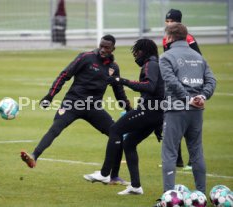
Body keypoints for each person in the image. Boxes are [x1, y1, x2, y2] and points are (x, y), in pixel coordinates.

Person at [21, 34, 132, 185]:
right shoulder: (86, 57)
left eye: (107, 47)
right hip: (73, 103)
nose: (102, 49)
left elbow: (119, 93)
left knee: (116, 133)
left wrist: (130, 111)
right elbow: (64, 75)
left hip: (93, 108)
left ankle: (114, 176)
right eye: (101, 46)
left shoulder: (113, 68)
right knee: (56, 128)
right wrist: (50, 96)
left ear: (113, 49)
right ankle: (34, 156)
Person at [84, 38, 165, 195]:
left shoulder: (151, 65)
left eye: (138, 51)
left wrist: (122, 80)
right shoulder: (155, 64)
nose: (136, 55)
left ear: (145, 51)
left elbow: (150, 86)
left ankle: (104, 173)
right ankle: (135, 187)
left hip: (149, 111)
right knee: (129, 143)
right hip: (155, 113)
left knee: (115, 129)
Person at [153, 23, 216, 207]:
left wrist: (188, 98)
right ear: (186, 37)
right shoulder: (198, 57)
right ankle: (201, 196)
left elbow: (170, 81)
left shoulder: (166, 57)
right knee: (196, 151)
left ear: (170, 37)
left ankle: (168, 199)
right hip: (197, 110)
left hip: (176, 109)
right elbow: (211, 80)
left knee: (169, 153)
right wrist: (202, 96)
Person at [163, 8, 202, 170]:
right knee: (172, 123)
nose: (169, 24)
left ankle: (194, 159)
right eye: (167, 21)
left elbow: (197, 58)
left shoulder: (188, 38)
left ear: (179, 22)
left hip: (189, 86)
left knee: (189, 125)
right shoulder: (166, 39)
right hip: (174, 87)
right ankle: (177, 159)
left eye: (172, 21)